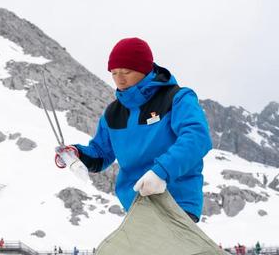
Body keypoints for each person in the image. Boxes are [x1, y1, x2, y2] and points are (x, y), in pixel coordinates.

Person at [61, 38, 212, 221]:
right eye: (114, 73)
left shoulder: (177, 98)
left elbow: (197, 137)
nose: (120, 79)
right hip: (137, 207)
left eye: (127, 72)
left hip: (177, 203)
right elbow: (101, 154)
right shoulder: (113, 114)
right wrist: (76, 154)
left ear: (145, 70)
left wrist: (161, 172)